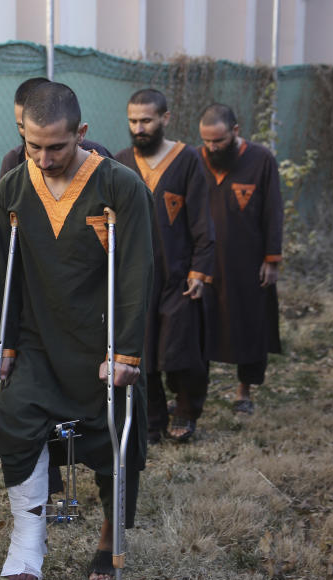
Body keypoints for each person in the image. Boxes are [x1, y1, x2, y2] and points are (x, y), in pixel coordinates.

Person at [0, 82, 153, 580]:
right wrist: (2, 344)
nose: (43, 157)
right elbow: (1, 271)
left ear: (81, 133)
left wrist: (126, 350)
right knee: (13, 416)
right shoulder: (12, 188)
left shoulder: (119, 185)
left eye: (56, 146)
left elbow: (137, 271)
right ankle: (28, 541)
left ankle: (108, 539)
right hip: (38, 336)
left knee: (112, 432)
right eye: (33, 146)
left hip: (101, 339)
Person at [115, 89, 215, 443]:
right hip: (137, 278)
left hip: (179, 275)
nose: (138, 127)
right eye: (133, 121)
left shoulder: (188, 159)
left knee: (181, 350)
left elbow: (203, 218)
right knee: (142, 350)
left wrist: (200, 269)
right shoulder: (121, 161)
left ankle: (187, 410)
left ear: (165, 119)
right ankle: (153, 418)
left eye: (146, 120)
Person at [197, 103, 282, 414]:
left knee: (249, 324)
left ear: (235, 131)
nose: (212, 147)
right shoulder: (194, 160)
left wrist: (271, 260)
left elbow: (273, 211)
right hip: (204, 263)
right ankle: (194, 395)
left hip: (248, 262)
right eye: (206, 140)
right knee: (198, 329)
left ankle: (243, 392)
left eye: (218, 140)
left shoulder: (261, 159)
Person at [0, 76, 113, 179]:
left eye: (56, 147)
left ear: (80, 134)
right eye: (23, 127)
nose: (44, 162)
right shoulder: (13, 163)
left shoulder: (99, 159)